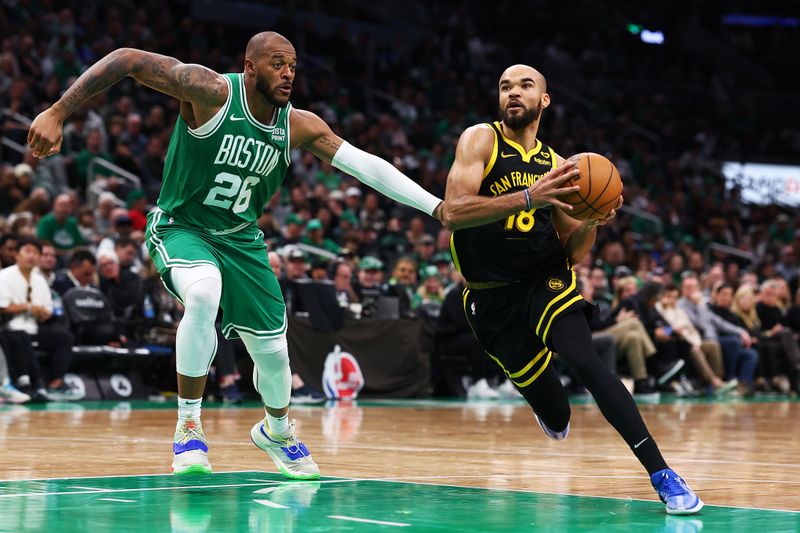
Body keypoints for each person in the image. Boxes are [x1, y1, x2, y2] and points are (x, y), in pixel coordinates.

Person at [28, 32, 444, 478]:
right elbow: (128, 58)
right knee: (204, 293)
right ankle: (189, 424)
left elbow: (365, 164)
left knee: (275, 355)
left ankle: (277, 430)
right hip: (182, 225)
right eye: (277, 64)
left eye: (293, 66)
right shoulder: (209, 92)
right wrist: (57, 111)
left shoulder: (298, 124)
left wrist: (435, 207)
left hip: (241, 238)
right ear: (250, 66)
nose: (288, 74)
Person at [441, 64, 701, 514]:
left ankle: (662, 472)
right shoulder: (480, 140)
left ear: (544, 100)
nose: (513, 93)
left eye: (525, 86)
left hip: (546, 277)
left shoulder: (558, 166)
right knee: (558, 414)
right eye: (505, 87)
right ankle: (546, 404)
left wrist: (593, 222)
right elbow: (452, 212)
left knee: (585, 358)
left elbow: (572, 248)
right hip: (490, 296)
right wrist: (529, 198)